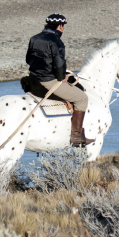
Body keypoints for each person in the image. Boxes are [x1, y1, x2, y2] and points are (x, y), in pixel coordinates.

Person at [26, 13, 94, 147]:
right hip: (48, 81)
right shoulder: (56, 41)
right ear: (60, 26)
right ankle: (76, 137)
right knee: (82, 98)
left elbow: (28, 59)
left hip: (33, 78)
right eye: (63, 27)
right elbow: (59, 63)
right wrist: (62, 76)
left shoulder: (34, 38)